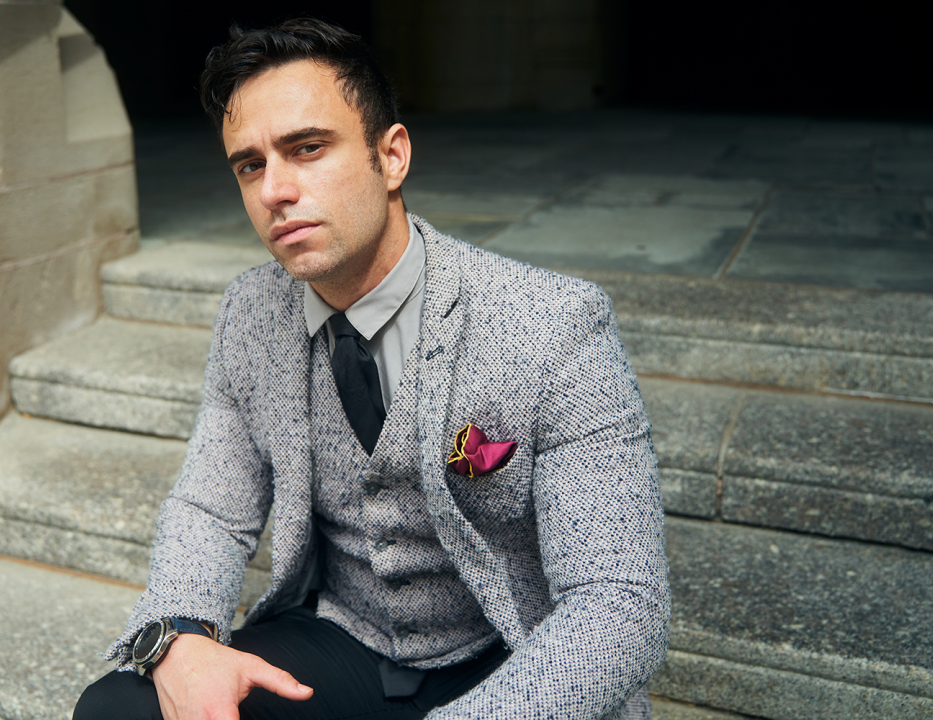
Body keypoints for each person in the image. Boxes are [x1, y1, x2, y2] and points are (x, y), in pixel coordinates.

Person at [75, 17, 669, 720]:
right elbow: (211, 507)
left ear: (391, 157)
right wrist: (180, 633)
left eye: (308, 148)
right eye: (251, 164)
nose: (275, 191)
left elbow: (620, 600)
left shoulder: (553, 324)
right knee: (120, 709)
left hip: (512, 652)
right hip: (343, 641)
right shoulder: (250, 312)